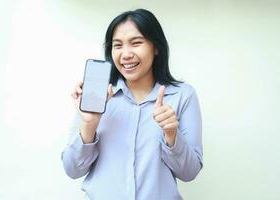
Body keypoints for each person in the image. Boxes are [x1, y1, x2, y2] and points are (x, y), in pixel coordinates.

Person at [61, 8, 203, 200]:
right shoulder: (98, 96)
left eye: (136, 43)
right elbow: (72, 170)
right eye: (117, 45)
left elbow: (189, 173)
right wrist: (89, 124)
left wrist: (172, 135)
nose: (126, 54)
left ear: (156, 47)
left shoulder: (182, 95)